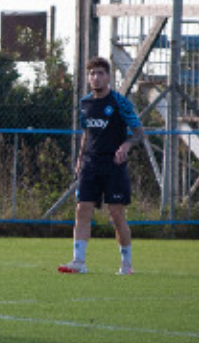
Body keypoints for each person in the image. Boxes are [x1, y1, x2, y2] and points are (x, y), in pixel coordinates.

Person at [58, 57, 145, 275]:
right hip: (90, 163)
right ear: (88, 78)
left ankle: (126, 264)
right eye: (92, 74)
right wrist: (79, 159)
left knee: (116, 214)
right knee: (82, 209)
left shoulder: (119, 102)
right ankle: (79, 261)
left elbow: (139, 132)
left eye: (100, 73)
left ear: (108, 77)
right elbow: (86, 133)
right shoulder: (85, 103)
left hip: (113, 165)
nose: (96, 77)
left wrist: (126, 145)